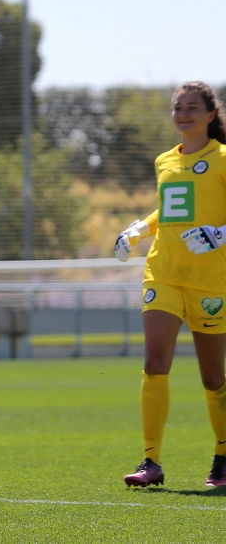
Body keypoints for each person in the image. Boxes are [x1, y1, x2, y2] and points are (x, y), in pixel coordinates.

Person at [115, 81, 226, 489]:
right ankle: (151, 461)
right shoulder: (165, 160)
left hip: (210, 281)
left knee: (213, 376)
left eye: (192, 107)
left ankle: (222, 455)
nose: (183, 114)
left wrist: (221, 234)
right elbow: (172, 206)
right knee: (154, 362)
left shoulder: (223, 159)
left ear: (210, 114)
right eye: (177, 107)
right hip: (162, 273)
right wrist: (139, 228)